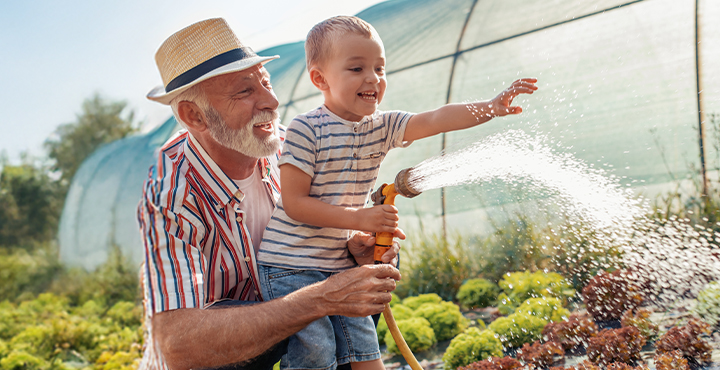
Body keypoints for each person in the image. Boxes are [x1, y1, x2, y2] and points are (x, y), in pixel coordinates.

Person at [256, 15, 538, 370]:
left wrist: (491, 108)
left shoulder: (382, 126)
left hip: (340, 263)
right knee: (317, 349)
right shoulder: (305, 129)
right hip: (290, 265)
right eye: (357, 68)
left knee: (364, 341)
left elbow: (435, 118)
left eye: (380, 68)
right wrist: (359, 218)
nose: (373, 78)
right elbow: (295, 205)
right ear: (319, 78)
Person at [137, 18, 404, 370]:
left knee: (355, 286)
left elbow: (338, 237)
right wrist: (319, 299)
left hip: (288, 319)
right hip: (220, 354)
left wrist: (353, 245)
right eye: (244, 91)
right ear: (194, 115)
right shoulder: (169, 196)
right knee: (313, 310)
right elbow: (177, 347)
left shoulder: (294, 147)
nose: (272, 100)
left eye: (266, 81)